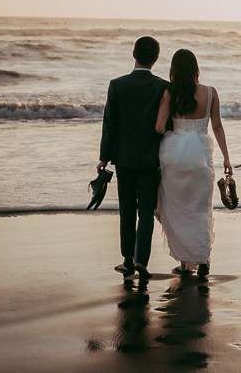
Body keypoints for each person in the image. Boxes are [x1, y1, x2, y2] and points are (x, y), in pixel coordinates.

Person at [154, 49, 232, 277]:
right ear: (196, 67)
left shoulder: (170, 93)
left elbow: (159, 127)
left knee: (178, 208)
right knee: (200, 209)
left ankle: (186, 262)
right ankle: (203, 260)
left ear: (174, 70)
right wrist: (227, 157)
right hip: (201, 155)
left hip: (174, 156)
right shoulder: (211, 93)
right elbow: (217, 127)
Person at [98, 36, 170, 280]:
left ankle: (127, 260)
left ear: (133, 54)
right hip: (151, 159)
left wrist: (104, 157)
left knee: (127, 209)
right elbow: (168, 124)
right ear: (156, 58)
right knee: (146, 210)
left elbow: (110, 125)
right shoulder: (163, 87)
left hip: (124, 159)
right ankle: (142, 261)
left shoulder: (117, 85)